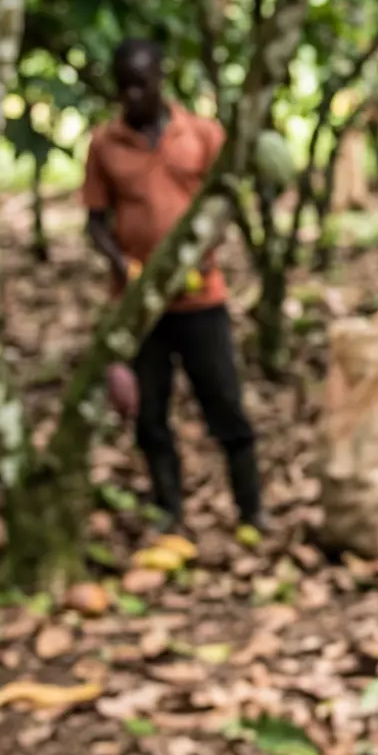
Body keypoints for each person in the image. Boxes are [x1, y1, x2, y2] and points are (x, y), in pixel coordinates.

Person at [83, 37, 264, 532]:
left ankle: (251, 510)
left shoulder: (202, 134)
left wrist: (205, 251)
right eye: (125, 87)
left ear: (161, 78)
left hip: (201, 297)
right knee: (150, 415)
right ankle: (169, 511)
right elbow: (95, 220)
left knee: (225, 404)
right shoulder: (104, 143)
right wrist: (122, 265)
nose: (134, 96)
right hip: (141, 306)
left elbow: (225, 200)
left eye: (142, 83)